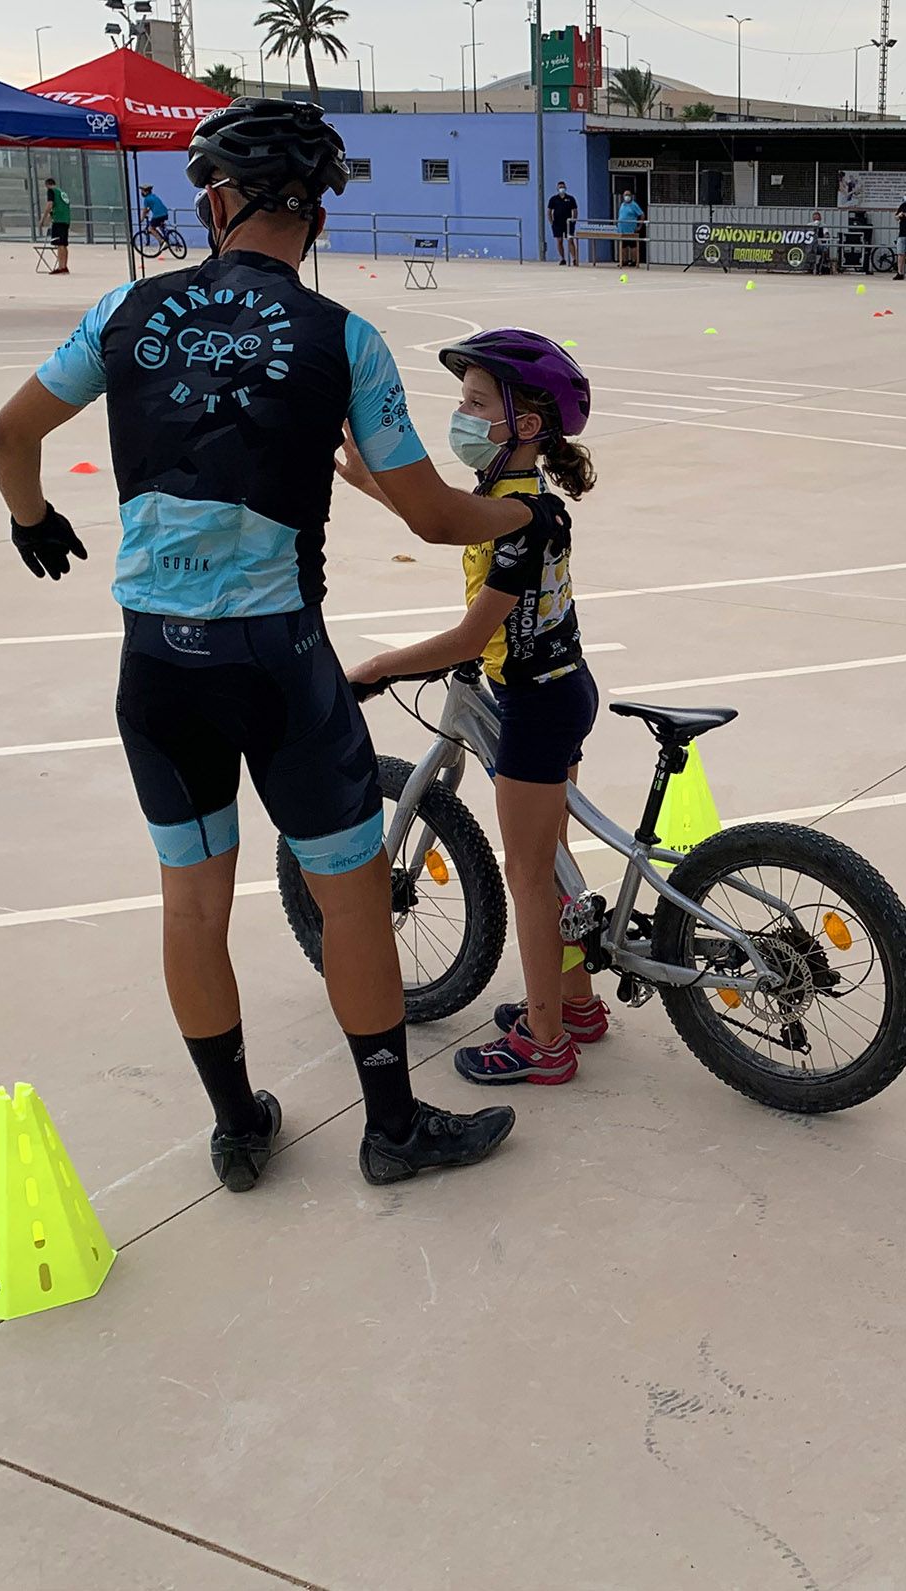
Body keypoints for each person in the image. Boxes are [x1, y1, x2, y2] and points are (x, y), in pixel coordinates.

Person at [0, 99, 553, 1191]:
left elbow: (10, 435)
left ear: (218, 200)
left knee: (192, 899)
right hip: (278, 666)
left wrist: (32, 518)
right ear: (316, 214)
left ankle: (237, 1122)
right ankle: (390, 1126)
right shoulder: (345, 340)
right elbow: (434, 513)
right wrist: (523, 517)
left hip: (156, 665)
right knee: (347, 891)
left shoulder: (121, 306)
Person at [337, 331, 605, 1085]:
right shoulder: (511, 499)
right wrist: (369, 482)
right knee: (551, 856)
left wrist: (379, 668)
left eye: (476, 403)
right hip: (562, 686)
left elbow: (470, 633)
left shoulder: (522, 517)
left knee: (525, 871)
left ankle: (546, 1042)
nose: (462, 414)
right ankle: (576, 1000)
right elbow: (446, 516)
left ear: (524, 424)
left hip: (536, 707)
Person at [41, 176, 71, 275]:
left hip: (58, 220)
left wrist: (43, 219)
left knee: (59, 244)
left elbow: (50, 205)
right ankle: (64, 266)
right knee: (64, 243)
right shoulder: (62, 192)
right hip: (66, 219)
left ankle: (61, 266)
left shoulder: (51, 191)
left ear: (47, 185)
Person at [548, 180, 579, 267]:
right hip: (557, 223)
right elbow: (549, 211)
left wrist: (573, 221)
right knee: (559, 241)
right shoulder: (553, 199)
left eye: (563, 187)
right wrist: (551, 222)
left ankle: (574, 259)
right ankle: (562, 258)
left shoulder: (571, 199)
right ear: (557, 188)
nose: (562, 188)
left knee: (570, 240)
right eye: (560, 187)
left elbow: (575, 210)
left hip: (568, 223)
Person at [615, 188, 645, 267]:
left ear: (631, 196)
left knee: (633, 246)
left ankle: (634, 261)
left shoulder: (634, 205)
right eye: (625, 195)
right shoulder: (622, 205)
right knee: (623, 246)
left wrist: (640, 226)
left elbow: (641, 214)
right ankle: (624, 261)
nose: (627, 197)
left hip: (631, 229)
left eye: (628, 195)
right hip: (622, 230)